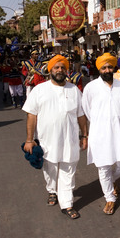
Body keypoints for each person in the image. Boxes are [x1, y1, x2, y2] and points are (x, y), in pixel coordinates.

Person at [22, 54, 88, 219]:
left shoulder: (74, 90)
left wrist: (84, 135)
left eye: (62, 67)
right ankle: (52, 190)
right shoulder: (39, 90)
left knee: (68, 170)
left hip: (70, 140)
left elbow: (81, 115)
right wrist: (29, 140)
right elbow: (31, 116)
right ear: (50, 70)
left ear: (67, 70)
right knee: (50, 170)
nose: (60, 70)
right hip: (48, 141)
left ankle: (67, 204)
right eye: (56, 67)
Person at [82, 53, 120, 215]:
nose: (107, 69)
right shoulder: (91, 87)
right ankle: (110, 197)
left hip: (119, 130)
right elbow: (86, 109)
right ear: (99, 69)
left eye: (110, 66)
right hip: (100, 132)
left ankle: (111, 182)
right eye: (104, 67)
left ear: (113, 68)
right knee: (103, 166)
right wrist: (100, 122)